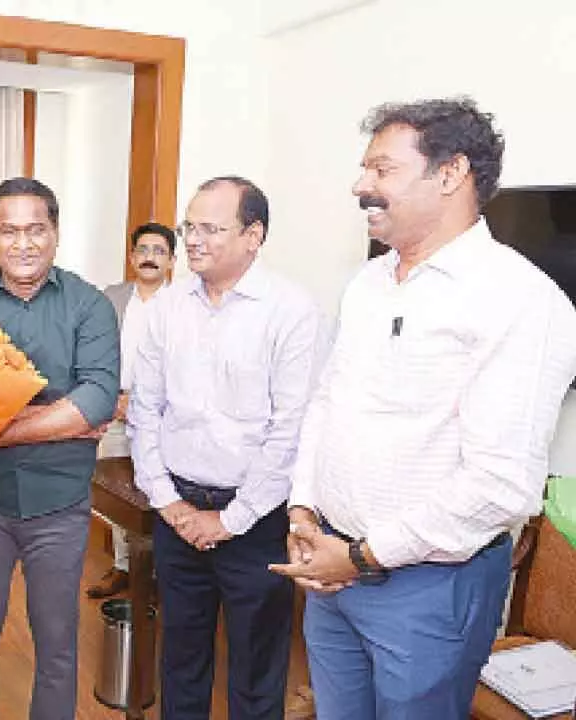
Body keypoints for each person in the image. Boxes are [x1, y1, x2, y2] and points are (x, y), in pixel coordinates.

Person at [270, 97, 576, 718]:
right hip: (328, 567)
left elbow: (499, 486)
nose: (361, 185)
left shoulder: (521, 301)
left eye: (381, 169)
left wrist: (359, 556)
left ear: (449, 173)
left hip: (429, 590)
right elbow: (328, 404)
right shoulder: (369, 283)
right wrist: (305, 509)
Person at [130, 177, 321, 719]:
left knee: (258, 668)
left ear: (253, 235)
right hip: (178, 514)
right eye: (189, 226)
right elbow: (145, 411)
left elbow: (291, 429)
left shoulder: (290, 310)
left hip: (256, 521)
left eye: (211, 228)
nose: (193, 240)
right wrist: (169, 503)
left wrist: (232, 520)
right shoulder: (167, 307)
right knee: (181, 657)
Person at [0, 177, 120, 720]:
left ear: (56, 233)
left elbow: (95, 399)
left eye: (35, 230)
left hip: (61, 507)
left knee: (57, 645)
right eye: (9, 231)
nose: (23, 243)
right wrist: (58, 416)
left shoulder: (89, 306)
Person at [88, 222, 176, 599]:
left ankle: (161, 572)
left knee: (160, 490)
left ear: (172, 260)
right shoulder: (111, 298)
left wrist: (145, 403)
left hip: (165, 417)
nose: (150, 258)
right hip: (115, 408)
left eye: (159, 251)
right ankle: (124, 566)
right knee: (119, 492)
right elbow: (95, 354)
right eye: (143, 250)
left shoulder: (185, 303)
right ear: (131, 257)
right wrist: (112, 397)